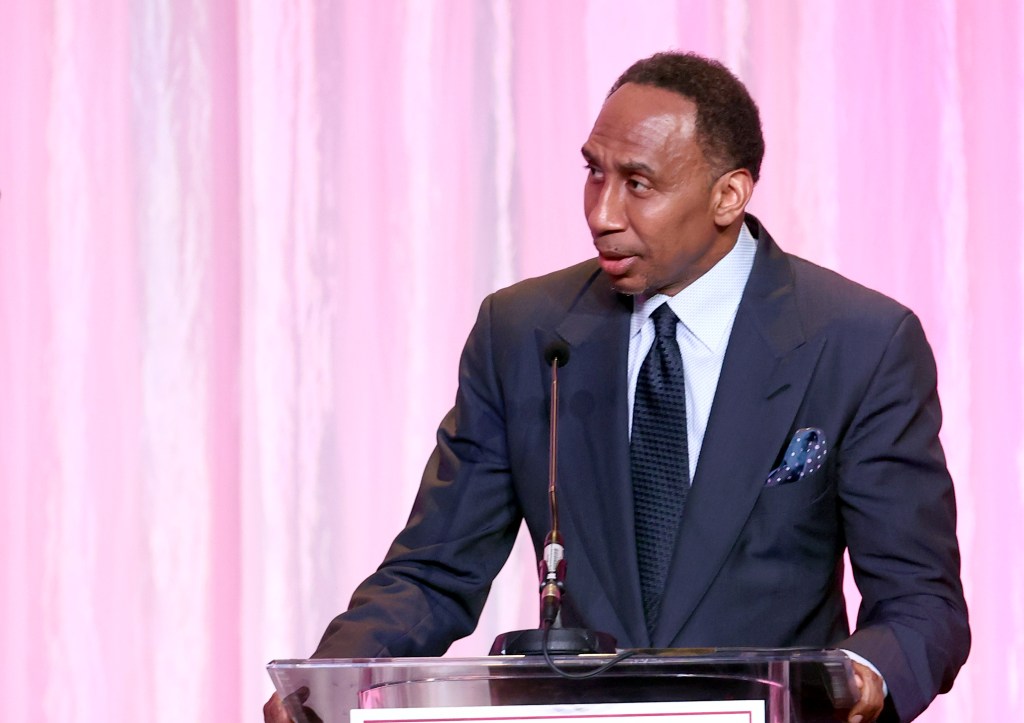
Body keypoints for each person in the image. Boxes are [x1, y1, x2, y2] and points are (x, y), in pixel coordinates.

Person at [265, 52, 969, 723]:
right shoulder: (523, 333)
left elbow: (920, 605)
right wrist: (327, 682)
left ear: (729, 194)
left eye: (637, 183)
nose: (601, 212)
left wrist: (855, 678)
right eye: (592, 173)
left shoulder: (859, 341)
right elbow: (433, 572)